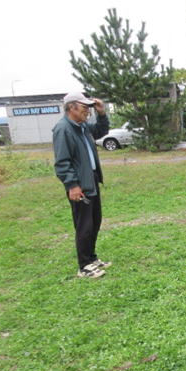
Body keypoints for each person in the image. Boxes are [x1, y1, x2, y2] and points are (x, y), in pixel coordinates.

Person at [53, 92, 110, 278]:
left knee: (95, 221)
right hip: (79, 184)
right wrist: (72, 185)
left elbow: (100, 131)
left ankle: (92, 258)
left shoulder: (82, 126)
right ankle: (84, 266)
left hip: (90, 179)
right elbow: (62, 162)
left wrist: (101, 113)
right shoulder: (63, 129)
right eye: (84, 107)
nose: (87, 111)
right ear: (71, 107)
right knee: (84, 225)